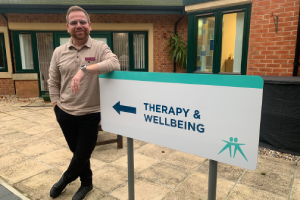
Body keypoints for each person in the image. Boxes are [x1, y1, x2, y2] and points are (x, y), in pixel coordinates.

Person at [48, 5, 120, 200]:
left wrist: (85, 70)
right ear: (67, 27)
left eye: (82, 22)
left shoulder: (99, 47)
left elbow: (114, 63)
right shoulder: (58, 52)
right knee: (78, 153)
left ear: (90, 25)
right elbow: (52, 81)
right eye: (74, 22)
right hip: (65, 113)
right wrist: (56, 106)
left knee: (81, 154)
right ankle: (87, 183)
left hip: (91, 113)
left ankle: (64, 180)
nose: (78, 25)